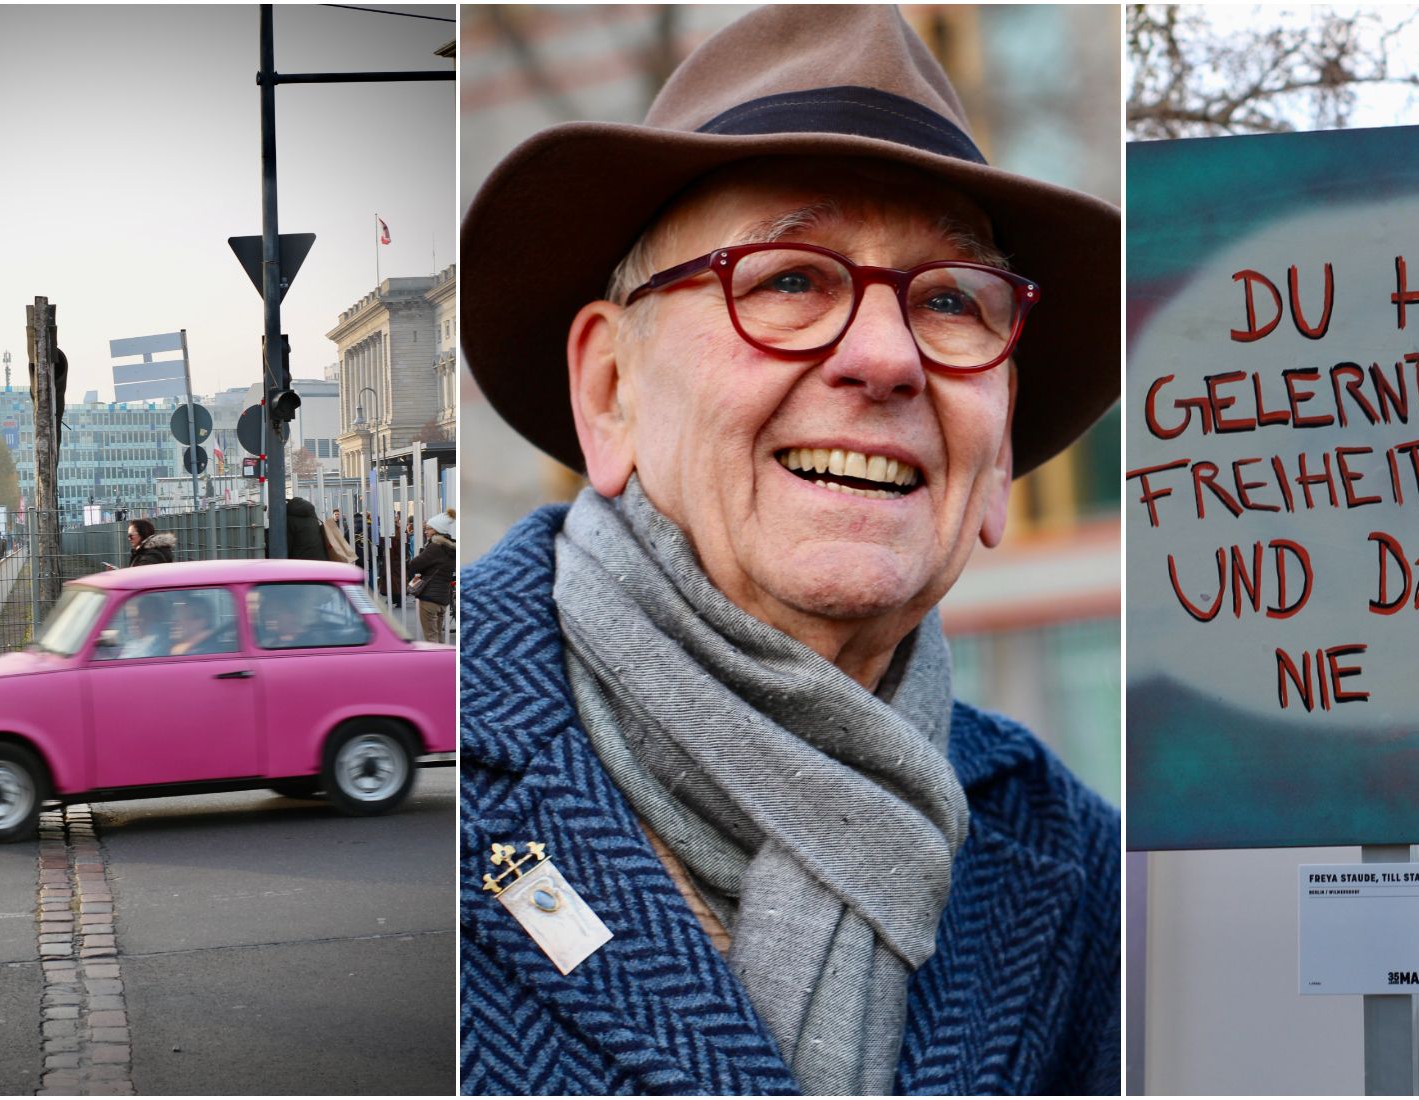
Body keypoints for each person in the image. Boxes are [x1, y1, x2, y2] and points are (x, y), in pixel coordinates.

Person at [455, 8, 1119, 1096]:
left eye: (949, 300)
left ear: (997, 462)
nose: (883, 357)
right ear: (611, 390)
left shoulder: (1076, 866)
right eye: (788, 280)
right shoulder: (447, 754)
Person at [406, 509, 455, 642]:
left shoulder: (435, 547)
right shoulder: (451, 547)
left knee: (431, 637)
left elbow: (415, 564)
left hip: (429, 597)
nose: (425, 531)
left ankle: (437, 662)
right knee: (438, 636)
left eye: (428, 529)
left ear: (437, 530)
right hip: (443, 598)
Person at [284, 496, 328, 561]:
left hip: (300, 561)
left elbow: (287, 545)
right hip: (320, 559)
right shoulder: (313, 517)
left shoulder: (289, 520)